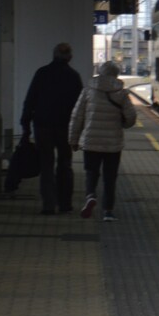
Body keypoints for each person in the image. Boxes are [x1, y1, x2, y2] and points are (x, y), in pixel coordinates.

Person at [19, 42, 83, 215]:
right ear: (69, 57)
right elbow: (80, 107)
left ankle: (48, 205)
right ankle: (65, 204)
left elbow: (30, 100)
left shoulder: (42, 73)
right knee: (65, 164)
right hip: (65, 127)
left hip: (43, 126)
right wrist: (79, 131)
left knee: (46, 165)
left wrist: (25, 126)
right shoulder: (74, 76)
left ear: (53, 55)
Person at [69, 60, 136, 222]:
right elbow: (131, 117)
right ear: (116, 74)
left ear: (100, 72)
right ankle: (108, 211)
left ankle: (91, 195)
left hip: (91, 140)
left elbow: (77, 116)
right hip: (113, 144)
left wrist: (73, 139)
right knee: (110, 177)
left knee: (91, 172)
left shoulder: (88, 91)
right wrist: (124, 124)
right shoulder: (122, 93)